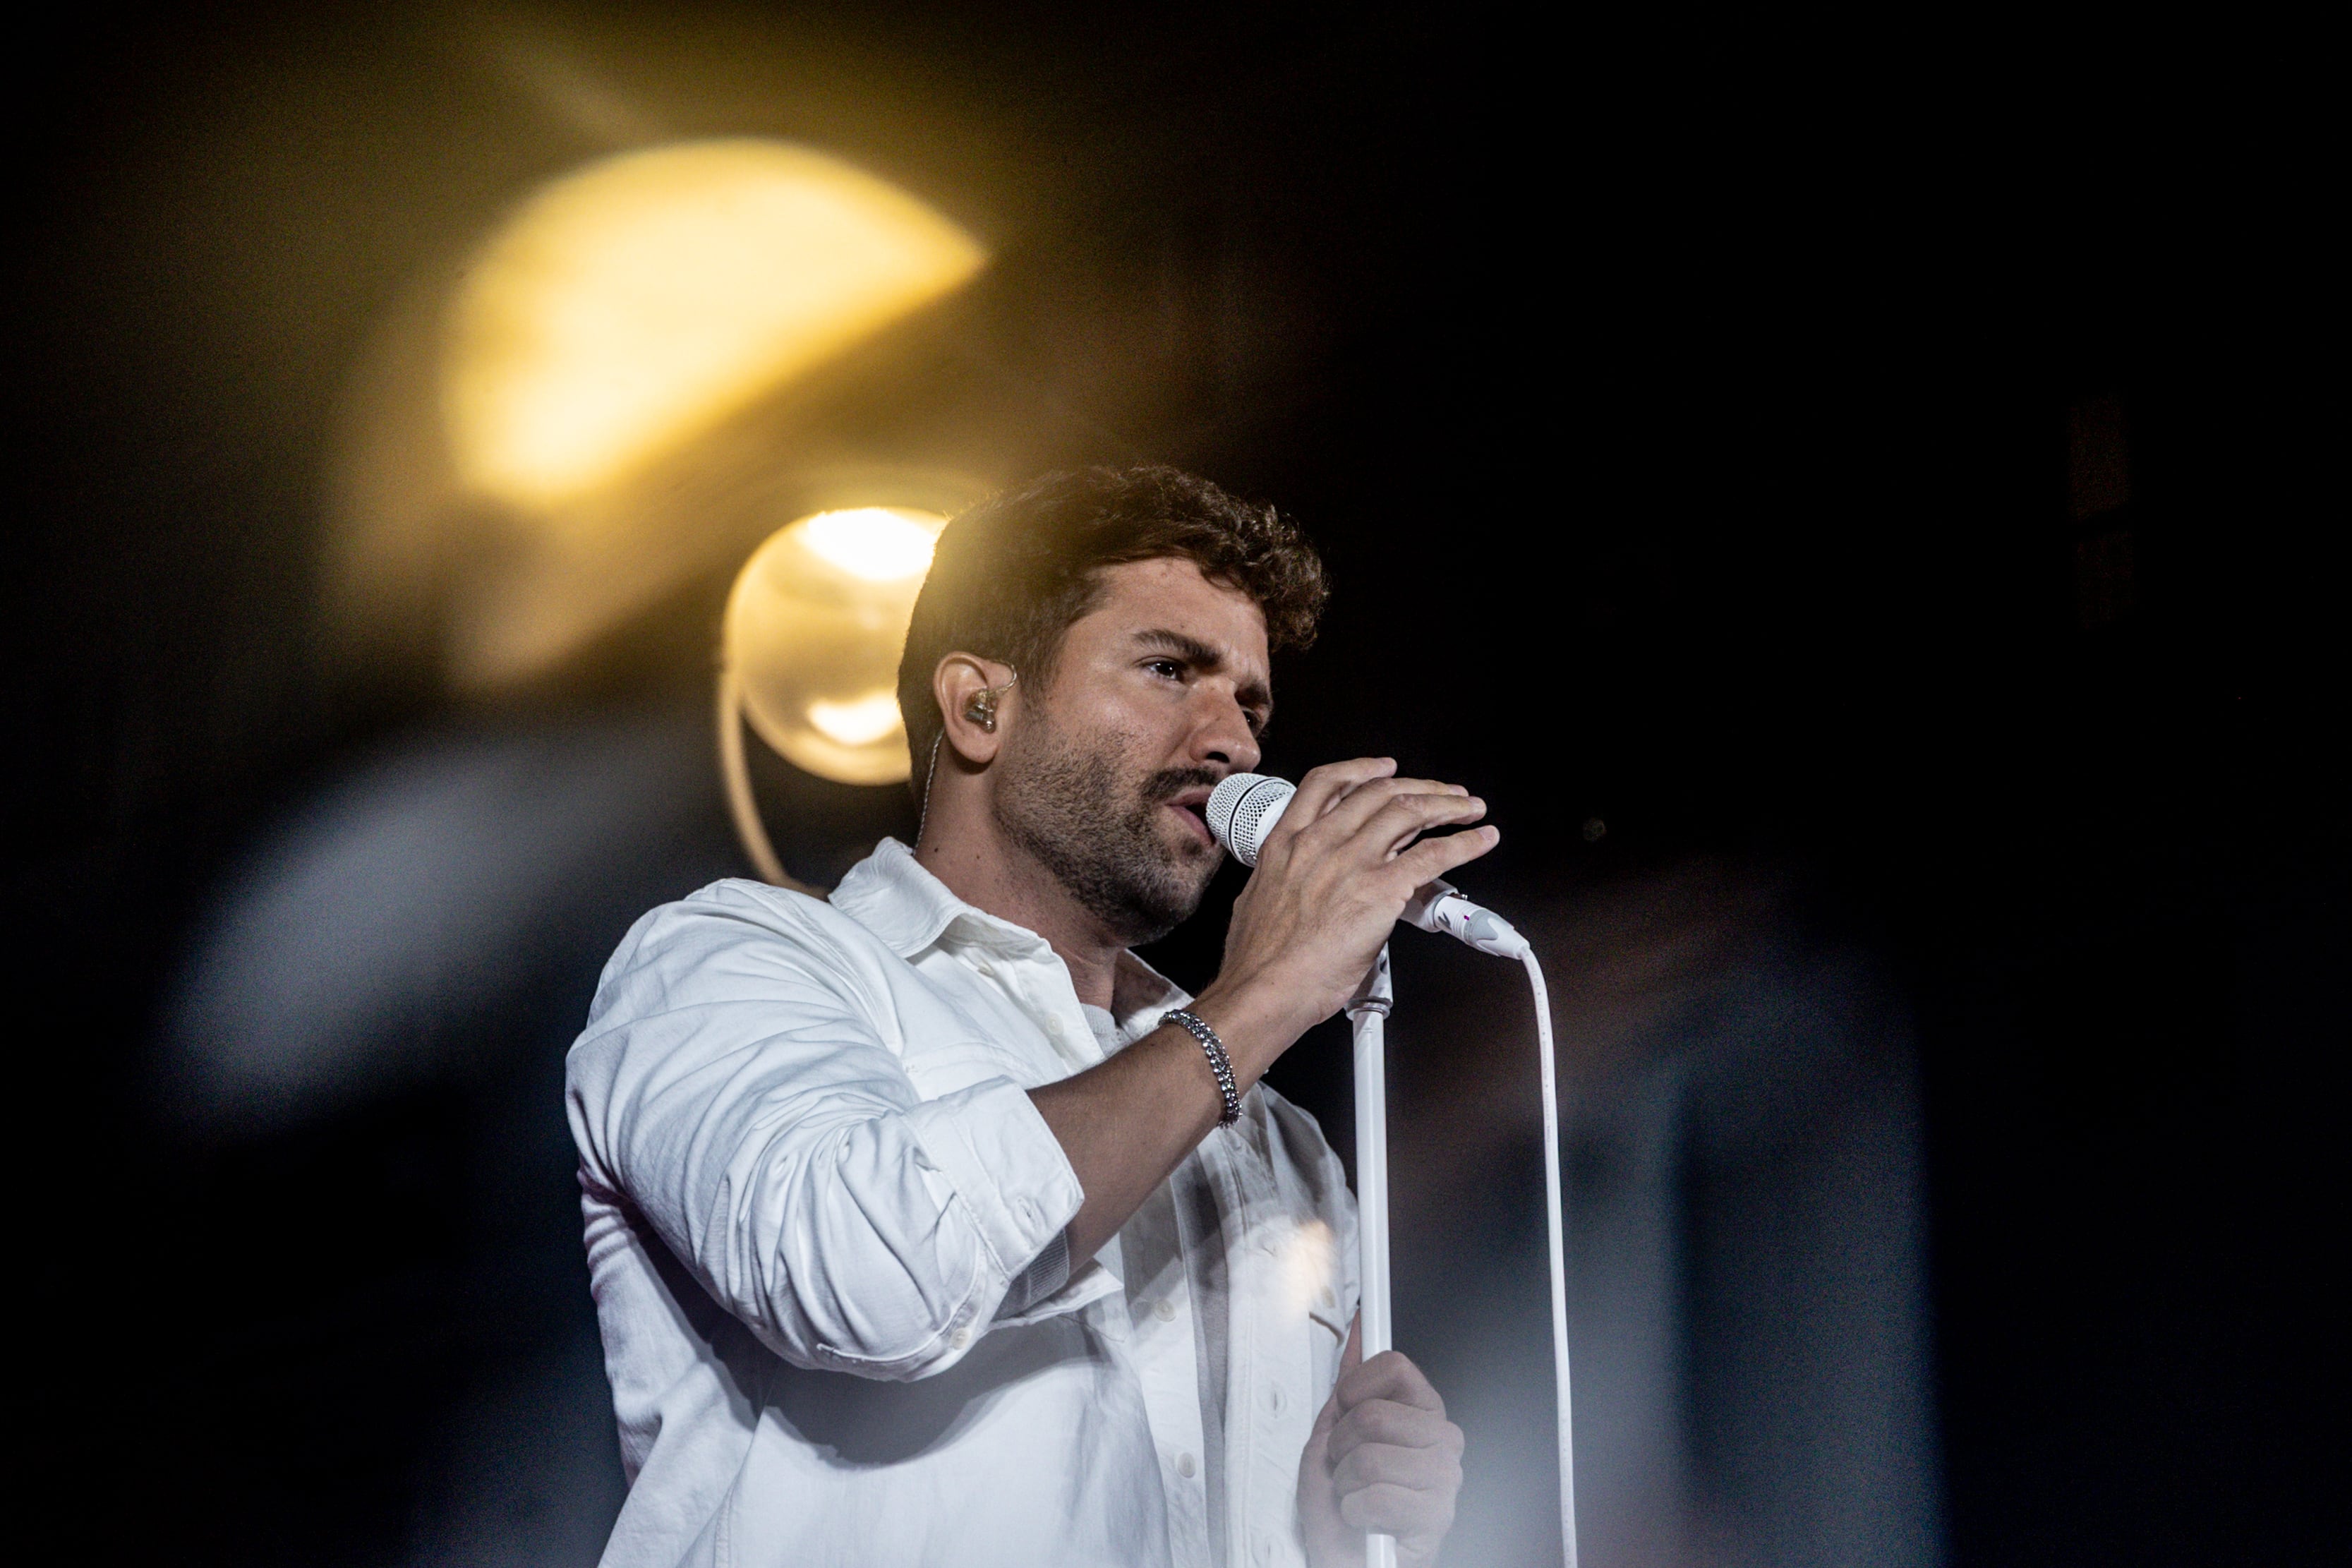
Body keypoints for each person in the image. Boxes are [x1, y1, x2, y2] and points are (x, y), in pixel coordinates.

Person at [567, 466, 1492, 1567]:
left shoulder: (1276, 1141)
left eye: (1250, 704)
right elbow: (868, 1275)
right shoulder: (732, 962)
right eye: (1168, 670)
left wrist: (1341, 1534)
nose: (1235, 743)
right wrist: (1263, 995)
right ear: (978, 706)